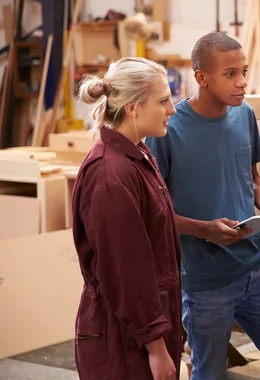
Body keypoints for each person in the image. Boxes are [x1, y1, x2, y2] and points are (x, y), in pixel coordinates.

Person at [145, 32, 260, 379]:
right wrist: (204, 230)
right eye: (230, 73)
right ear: (201, 78)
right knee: (209, 373)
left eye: (244, 71)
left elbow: (254, 179)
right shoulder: (167, 129)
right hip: (204, 280)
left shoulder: (244, 114)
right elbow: (153, 213)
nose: (243, 82)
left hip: (257, 270)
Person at [71, 57, 181, 380]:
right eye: (163, 101)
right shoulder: (110, 175)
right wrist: (157, 348)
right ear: (132, 108)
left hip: (142, 334)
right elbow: (127, 273)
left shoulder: (138, 156)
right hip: (122, 342)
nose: (171, 110)